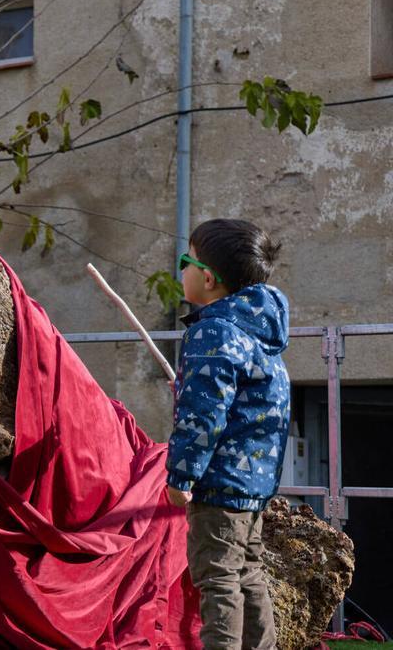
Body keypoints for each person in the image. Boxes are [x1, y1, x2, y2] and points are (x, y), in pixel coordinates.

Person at [165, 218, 289, 649]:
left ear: (208, 278)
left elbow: (202, 415)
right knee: (248, 573)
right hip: (253, 484)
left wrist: (182, 476)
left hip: (218, 485)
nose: (182, 269)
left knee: (217, 580)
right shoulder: (259, 334)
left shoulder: (212, 332)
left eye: (186, 261)